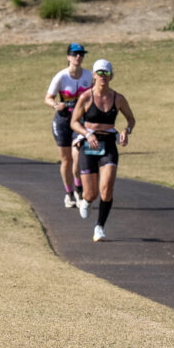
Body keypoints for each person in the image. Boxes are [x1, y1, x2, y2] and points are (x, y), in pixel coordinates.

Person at [69, 58, 137, 241]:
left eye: (106, 73)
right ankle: (87, 199)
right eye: (99, 73)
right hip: (89, 144)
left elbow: (131, 119)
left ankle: (99, 227)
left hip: (108, 145)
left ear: (111, 75)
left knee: (107, 190)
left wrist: (126, 131)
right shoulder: (86, 97)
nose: (103, 76)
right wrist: (87, 134)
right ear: (94, 75)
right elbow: (73, 122)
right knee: (91, 193)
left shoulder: (118, 98)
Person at [44, 43, 95, 208]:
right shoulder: (61, 76)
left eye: (81, 54)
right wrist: (56, 105)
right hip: (63, 120)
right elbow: (48, 98)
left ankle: (79, 190)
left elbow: (97, 92)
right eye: (75, 54)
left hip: (80, 122)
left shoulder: (88, 76)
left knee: (77, 156)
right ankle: (69, 193)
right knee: (65, 160)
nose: (78, 57)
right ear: (68, 57)